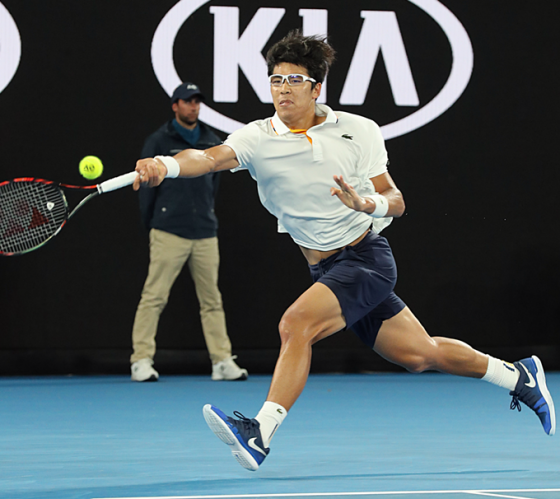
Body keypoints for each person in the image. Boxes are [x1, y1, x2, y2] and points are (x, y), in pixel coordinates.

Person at [133, 32, 555, 468]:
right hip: (325, 269)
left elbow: (395, 199)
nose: (282, 89)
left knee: (295, 325)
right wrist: (165, 164)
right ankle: (517, 375)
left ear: (316, 88)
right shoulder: (256, 137)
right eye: (276, 80)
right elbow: (207, 159)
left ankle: (260, 432)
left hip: (366, 259)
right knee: (419, 354)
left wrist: (367, 204)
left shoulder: (359, 130)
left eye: (294, 80)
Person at [130, 82, 248, 383]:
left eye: (196, 101)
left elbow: (213, 185)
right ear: (175, 106)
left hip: (205, 232)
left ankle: (222, 361)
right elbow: (146, 191)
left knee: (212, 301)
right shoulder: (158, 140)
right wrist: (154, 224)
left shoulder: (211, 139)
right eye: (187, 101)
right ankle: (141, 360)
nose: (193, 106)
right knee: (154, 297)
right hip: (168, 231)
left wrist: (205, 214)